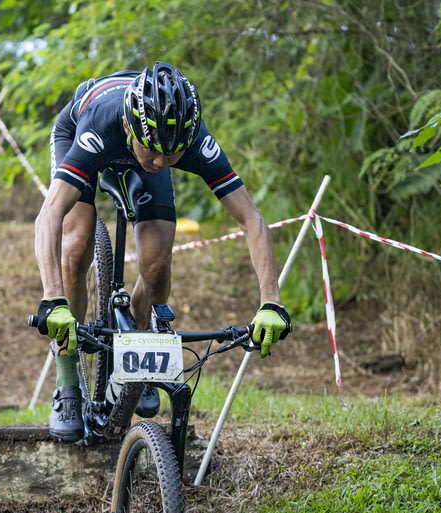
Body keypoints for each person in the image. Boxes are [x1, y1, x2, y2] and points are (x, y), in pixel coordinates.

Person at [33, 62, 292, 442]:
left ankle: (140, 351)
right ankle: (67, 381)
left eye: (171, 157)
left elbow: (250, 218)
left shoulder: (182, 139)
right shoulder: (103, 125)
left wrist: (271, 301)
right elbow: (49, 214)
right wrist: (52, 298)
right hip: (80, 129)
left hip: (150, 137)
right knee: (75, 247)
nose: (160, 163)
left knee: (156, 265)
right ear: (129, 128)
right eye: (153, 152)